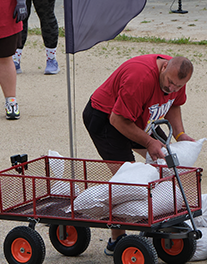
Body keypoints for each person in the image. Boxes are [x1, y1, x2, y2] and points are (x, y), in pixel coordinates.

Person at [84, 54, 196, 253]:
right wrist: (148, 141)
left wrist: (180, 134)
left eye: (178, 86)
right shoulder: (140, 77)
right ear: (163, 68)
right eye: (170, 83)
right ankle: (116, 241)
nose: (172, 88)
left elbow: (174, 103)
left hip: (138, 117)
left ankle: (158, 219)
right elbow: (117, 120)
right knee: (127, 181)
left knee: (166, 161)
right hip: (105, 118)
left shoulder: (178, 77)